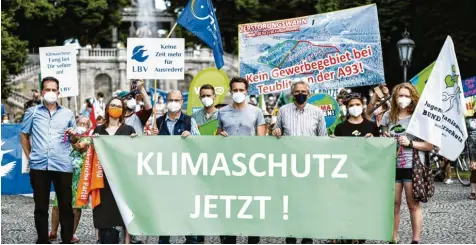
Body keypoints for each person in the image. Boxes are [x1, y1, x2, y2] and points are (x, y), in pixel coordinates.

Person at [20, 76, 77, 244]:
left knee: (66, 206)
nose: (51, 93)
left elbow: (74, 141)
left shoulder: (68, 114)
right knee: (41, 207)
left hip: (62, 165)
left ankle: (66, 239)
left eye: (54, 90)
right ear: (42, 92)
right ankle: (43, 240)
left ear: (58, 93)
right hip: (39, 165)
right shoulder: (33, 112)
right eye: (47, 89)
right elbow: (24, 134)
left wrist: (74, 137)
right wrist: (30, 155)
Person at [272, 81, 326, 244]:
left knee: (308, 199)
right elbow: (275, 133)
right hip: (289, 164)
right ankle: (291, 233)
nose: (300, 94)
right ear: (292, 93)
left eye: (303, 91)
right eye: (297, 91)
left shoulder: (317, 112)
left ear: (308, 94)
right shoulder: (283, 111)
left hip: (310, 164)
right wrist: (275, 131)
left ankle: (307, 234)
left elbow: (323, 138)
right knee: (290, 199)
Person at [381, 83, 433, 244]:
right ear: (395, 97)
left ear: (412, 97)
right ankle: (393, 238)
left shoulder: (420, 117)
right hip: (392, 167)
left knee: (413, 205)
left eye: (406, 95)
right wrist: (384, 139)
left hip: (413, 167)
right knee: (394, 205)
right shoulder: (388, 116)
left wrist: (410, 143)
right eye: (400, 95)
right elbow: (382, 136)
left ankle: (415, 240)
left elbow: (429, 145)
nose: (403, 99)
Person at [217, 77, 265, 244]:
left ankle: (253, 236)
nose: (238, 93)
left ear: (246, 91)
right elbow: (217, 136)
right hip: (229, 166)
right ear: (231, 92)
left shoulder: (256, 112)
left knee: (251, 200)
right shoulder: (222, 112)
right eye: (235, 90)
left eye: (241, 90)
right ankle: (229, 236)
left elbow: (261, 139)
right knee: (230, 201)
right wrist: (220, 136)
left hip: (250, 165)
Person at [153, 90, 200, 244]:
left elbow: (200, 145)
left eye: (176, 100)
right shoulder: (158, 122)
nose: (173, 102)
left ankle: (191, 238)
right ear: (167, 101)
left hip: (185, 171)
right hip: (165, 172)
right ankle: (164, 238)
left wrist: (191, 138)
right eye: (171, 99)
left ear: (181, 102)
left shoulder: (189, 121)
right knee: (165, 205)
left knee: (186, 205)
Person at [332, 92, 379, 244]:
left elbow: (379, 150)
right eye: (351, 105)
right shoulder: (340, 127)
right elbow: (336, 151)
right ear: (347, 108)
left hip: (365, 172)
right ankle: (345, 233)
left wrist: (374, 140)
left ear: (363, 106)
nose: (355, 108)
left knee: (362, 203)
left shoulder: (371, 126)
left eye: (357, 104)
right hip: (346, 171)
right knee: (346, 202)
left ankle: (359, 233)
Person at [92, 97, 137, 244]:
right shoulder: (99, 130)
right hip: (102, 178)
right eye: (112, 105)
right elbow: (91, 153)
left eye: (119, 106)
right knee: (102, 211)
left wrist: (135, 141)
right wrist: (94, 141)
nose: (115, 108)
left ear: (123, 110)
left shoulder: (129, 130)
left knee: (124, 212)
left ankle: (127, 241)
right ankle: (100, 239)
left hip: (122, 178)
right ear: (107, 108)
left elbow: (134, 153)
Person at [49, 116, 93, 243]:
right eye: (80, 123)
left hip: (79, 177)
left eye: (85, 124)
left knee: (76, 206)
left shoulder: (89, 139)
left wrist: (72, 139)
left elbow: (80, 147)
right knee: (57, 204)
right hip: (64, 173)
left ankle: (71, 233)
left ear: (88, 127)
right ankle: (53, 232)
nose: (82, 125)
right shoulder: (66, 137)